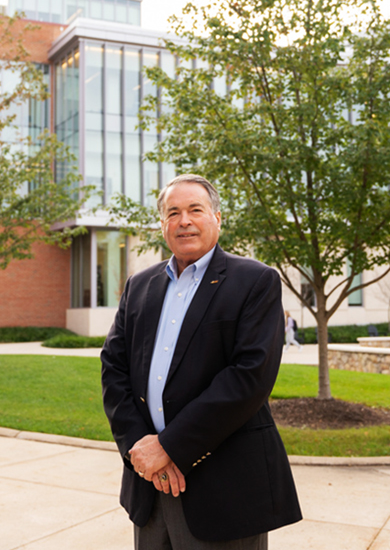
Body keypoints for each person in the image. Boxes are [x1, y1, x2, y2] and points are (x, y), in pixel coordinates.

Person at [101, 174, 302, 549]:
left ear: (217, 218)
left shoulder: (255, 281)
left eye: (195, 209)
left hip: (225, 490)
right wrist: (140, 448)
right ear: (162, 224)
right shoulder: (139, 286)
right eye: (172, 212)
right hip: (150, 487)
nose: (184, 221)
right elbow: (114, 369)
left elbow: (248, 379)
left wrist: (171, 447)